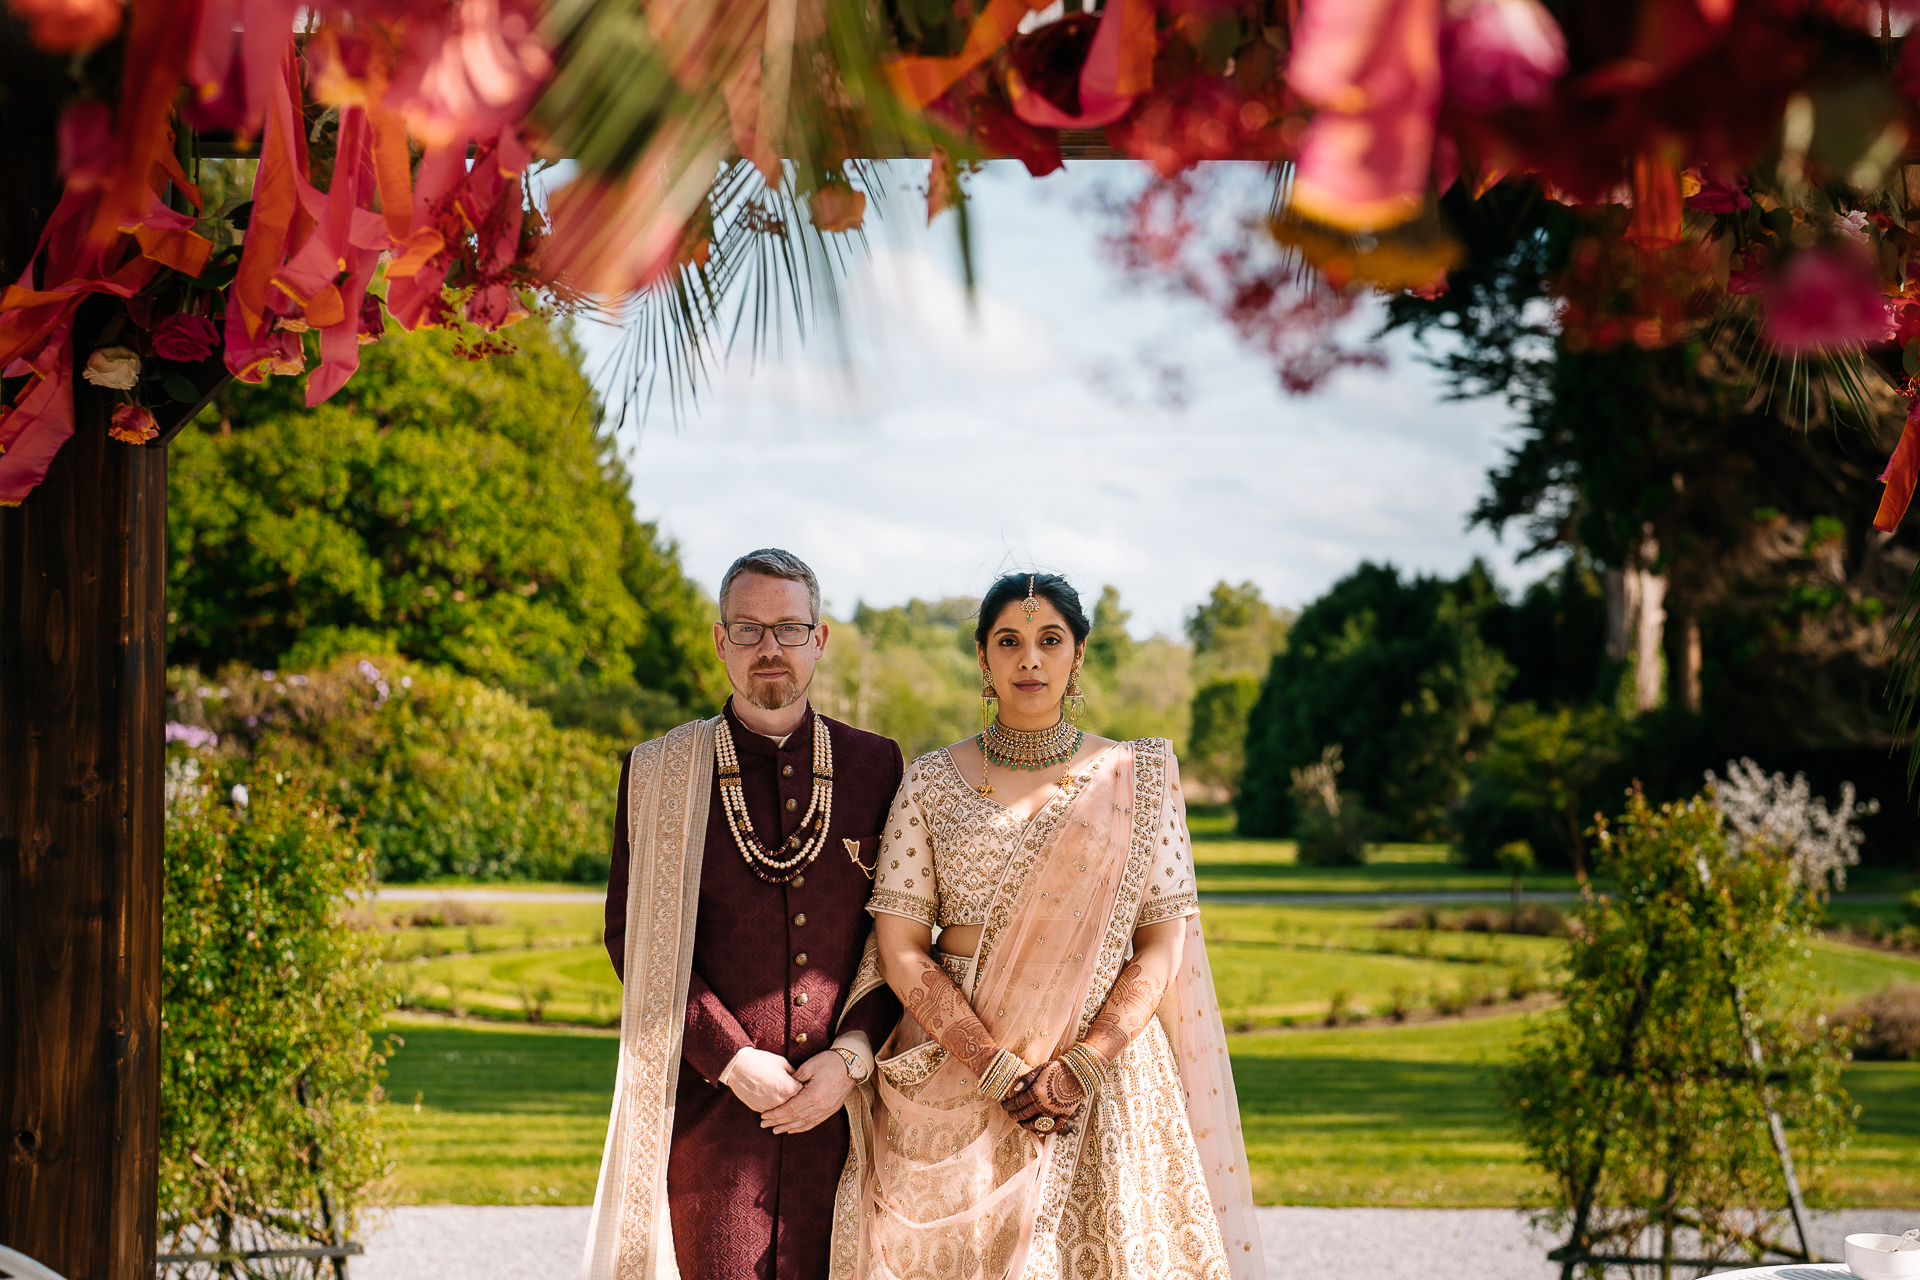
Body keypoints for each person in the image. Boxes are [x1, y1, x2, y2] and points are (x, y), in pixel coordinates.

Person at [857, 572, 1265, 1280]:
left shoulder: (1133, 777)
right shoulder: (928, 781)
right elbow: (900, 949)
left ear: (1079, 656)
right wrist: (992, 1067)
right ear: (983, 660)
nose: (1030, 660)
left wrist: (1085, 1063)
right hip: (960, 1078)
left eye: (1051, 640)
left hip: (1105, 1082)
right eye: (1008, 642)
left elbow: (1162, 946)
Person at [583, 548, 904, 1280]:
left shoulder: (875, 766)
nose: (770, 649)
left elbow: (903, 934)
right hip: (715, 1120)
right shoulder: (659, 771)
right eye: (749, 628)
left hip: (848, 1118)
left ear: (819, 641)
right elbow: (633, 936)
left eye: (789, 630)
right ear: (719, 640)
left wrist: (852, 1057)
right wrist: (729, 1059)